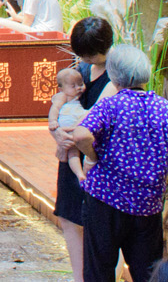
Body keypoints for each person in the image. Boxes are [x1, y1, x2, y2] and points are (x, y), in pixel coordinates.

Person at [69, 45, 168, 282]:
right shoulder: (166, 109)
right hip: (147, 205)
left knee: (99, 270)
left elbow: (81, 135)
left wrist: (92, 157)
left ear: (114, 76)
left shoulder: (110, 106)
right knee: (148, 273)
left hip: (105, 200)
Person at [53, 16, 118, 282]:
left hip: (97, 157)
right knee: (69, 217)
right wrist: (56, 131)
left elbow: (94, 117)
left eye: (91, 54)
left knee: (98, 223)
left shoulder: (117, 74)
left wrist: (67, 133)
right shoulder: (80, 69)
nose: (86, 59)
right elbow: (62, 104)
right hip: (71, 153)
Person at [51, 66, 94, 180]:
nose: (78, 88)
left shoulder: (77, 98)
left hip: (78, 124)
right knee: (73, 152)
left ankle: (85, 171)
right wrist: (53, 121)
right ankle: (79, 173)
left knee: (85, 148)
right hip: (69, 126)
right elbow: (54, 109)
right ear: (61, 88)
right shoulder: (62, 97)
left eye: (80, 84)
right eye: (73, 86)